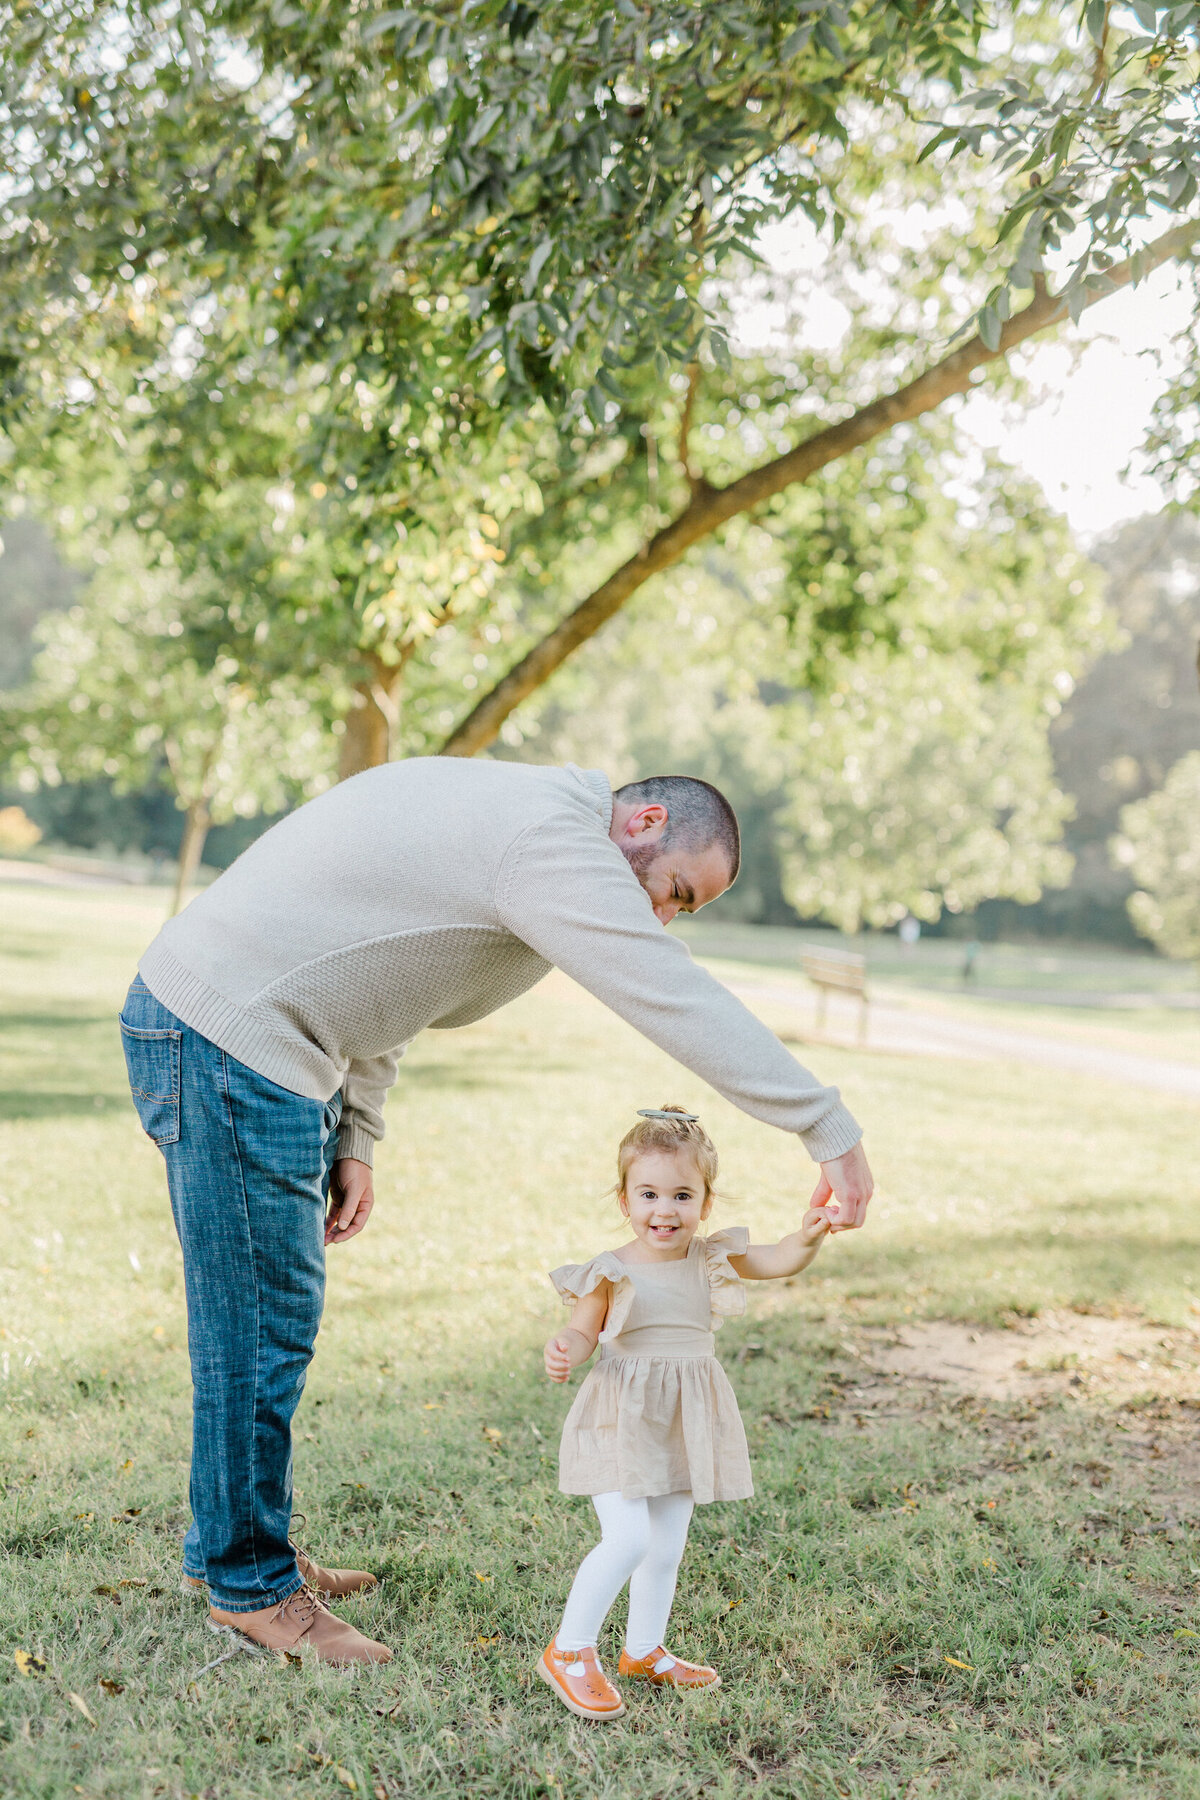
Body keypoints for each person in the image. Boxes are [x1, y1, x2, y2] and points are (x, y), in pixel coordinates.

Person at [120, 759, 872, 1666]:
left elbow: (394, 969)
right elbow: (670, 993)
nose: (664, 919)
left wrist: (357, 1131)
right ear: (646, 821)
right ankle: (250, 1586)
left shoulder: (532, 822)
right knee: (260, 1331)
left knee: (265, 1324)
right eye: (675, 892)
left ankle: (228, 1551)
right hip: (228, 1037)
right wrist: (821, 1123)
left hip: (260, 1041)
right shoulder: (551, 843)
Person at [539, 1105, 834, 1720]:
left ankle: (643, 1650)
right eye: (648, 1194)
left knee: (667, 1545)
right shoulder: (609, 1271)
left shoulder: (709, 1258)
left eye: (682, 1194)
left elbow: (778, 1259)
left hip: (681, 1420)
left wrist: (807, 1237)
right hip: (622, 1418)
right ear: (624, 1200)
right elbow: (582, 1330)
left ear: (705, 1200)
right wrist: (568, 1347)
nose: (664, 1210)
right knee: (628, 1537)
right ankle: (568, 1651)